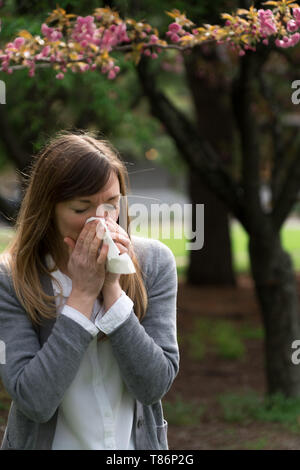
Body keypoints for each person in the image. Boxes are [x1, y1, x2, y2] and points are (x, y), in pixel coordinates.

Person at [0, 129, 179, 450]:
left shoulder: (154, 264)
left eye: (111, 204)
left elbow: (153, 386)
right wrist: (81, 296)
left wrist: (112, 289)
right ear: (48, 209)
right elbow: (34, 400)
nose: (101, 221)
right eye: (81, 208)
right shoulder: (12, 277)